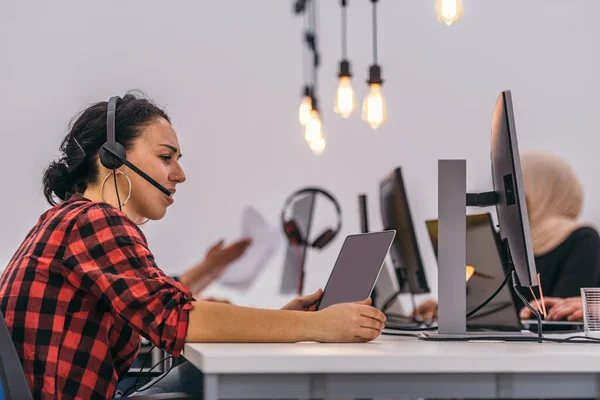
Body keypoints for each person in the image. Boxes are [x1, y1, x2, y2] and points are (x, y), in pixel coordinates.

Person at [0, 93, 386, 399]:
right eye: (166, 157)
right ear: (113, 158)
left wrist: (282, 321)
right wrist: (315, 326)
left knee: (219, 377)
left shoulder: (72, 219)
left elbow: (172, 310)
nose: (180, 174)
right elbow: (178, 319)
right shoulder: (95, 222)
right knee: (259, 386)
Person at [415, 151, 600, 322]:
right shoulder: (506, 240)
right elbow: (488, 303)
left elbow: (561, 314)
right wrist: (449, 310)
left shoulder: (582, 240)